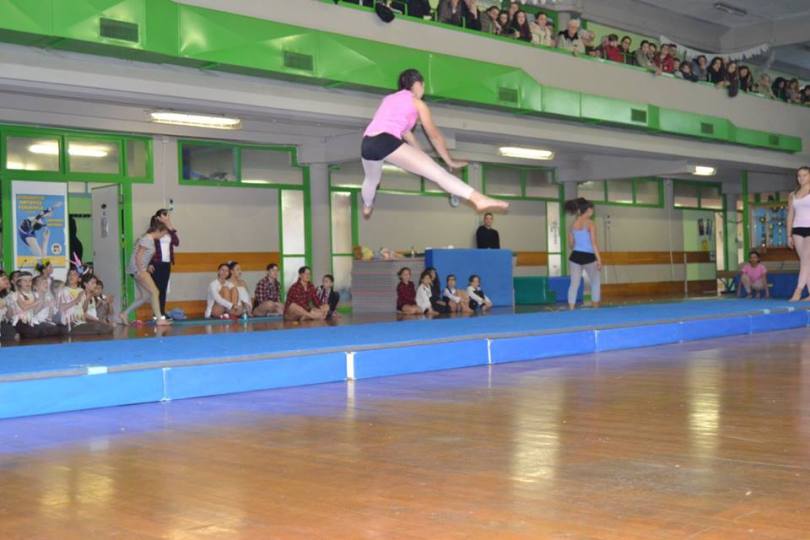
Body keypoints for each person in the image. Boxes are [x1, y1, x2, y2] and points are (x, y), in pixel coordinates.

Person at [360, 69, 507, 218]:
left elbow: (406, 134)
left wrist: (422, 157)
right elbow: (434, 136)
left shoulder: (389, 99)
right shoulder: (417, 103)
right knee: (438, 173)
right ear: (419, 84)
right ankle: (478, 198)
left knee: (372, 179)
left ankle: (367, 205)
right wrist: (449, 160)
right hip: (386, 141)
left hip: (367, 143)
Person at [119, 222, 172, 326]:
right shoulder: (147, 239)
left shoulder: (148, 239)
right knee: (155, 292)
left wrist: (146, 266)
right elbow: (138, 255)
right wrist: (141, 271)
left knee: (145, 295)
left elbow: (140, 255)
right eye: (163, 234)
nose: (163, 236)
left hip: (139, 269)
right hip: (139, 269)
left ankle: (124, 313)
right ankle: (159, 319)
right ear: (157, 231)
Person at [565, 197, 602, 310]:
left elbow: (571, 245)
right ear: (589, 210)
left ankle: (571, 308)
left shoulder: (573, 224)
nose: (593, 212)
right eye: (592, 210)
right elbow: (594, 243)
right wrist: (599, 259)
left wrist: (578, 241)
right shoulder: (591, 224)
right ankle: (595, 308)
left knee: (574, 284)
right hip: (589, 256)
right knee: (595, 282)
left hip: (575, 256)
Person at [148, 209, 179, 318]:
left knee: (163, 289)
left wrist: (170, 226)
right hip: (156, 263)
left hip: (166, 263)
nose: (167, 217)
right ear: (158, 218)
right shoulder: (153, 231)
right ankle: (156, 313)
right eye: (164, 215)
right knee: (156, 289)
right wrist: (149, 263)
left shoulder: (168, 231)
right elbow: (149, 248)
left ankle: (161, 311)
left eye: (167, 215)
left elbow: (176, 242)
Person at [787, 166, 810, 302]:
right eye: (799, 176)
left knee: (805, 260)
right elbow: (790, 215)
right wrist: (788, 235)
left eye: (805, 175)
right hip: (797, 229)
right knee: (806, 262)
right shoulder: (792, 194)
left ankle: (798, 291)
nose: (801, 178)